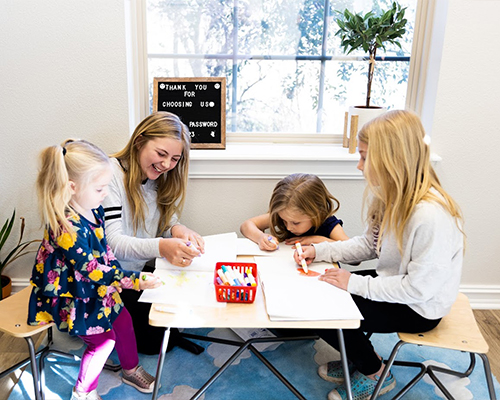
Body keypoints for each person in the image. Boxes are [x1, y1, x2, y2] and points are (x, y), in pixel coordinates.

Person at [294, 110, 465, 400]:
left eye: (364, 157)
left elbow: (419, 289)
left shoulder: (430, 216)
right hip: (394, 285)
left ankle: (375, 373)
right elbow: (368, 246)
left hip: (419, 307)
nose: (359, 166)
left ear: (390, 160)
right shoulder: (391, 199)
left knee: (324, 310)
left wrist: (353, 283)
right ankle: (361, 357)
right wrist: (318, 250)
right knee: (317, 293)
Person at [28, 139, 162, 400]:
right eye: (100, 188)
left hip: (96, 286)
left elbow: (105, 251)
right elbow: (91, 270)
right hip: (76, 295)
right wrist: (134, 280)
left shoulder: (94, 208)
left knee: (123, 321)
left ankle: (130, 369)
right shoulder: (67, 228)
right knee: (102, 342)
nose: (105, 193)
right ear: (72, 188)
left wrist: (122, 277)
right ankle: (83, 392)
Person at [102, 111, 205, 355]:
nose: (167, 164)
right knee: (158, 342)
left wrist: (178, 229)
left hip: (137, 272)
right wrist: (162, 246)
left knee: (176, 313)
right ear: (139, 142)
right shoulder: (109, 176)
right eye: (161, 154)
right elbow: (112, 242)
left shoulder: (156, 175)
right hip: (111, 278)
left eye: (175, 158)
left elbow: (163, 219)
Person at [240, 173, 349, 251]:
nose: (288, 227)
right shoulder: (285, 215)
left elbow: (353, 257)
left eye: (296, 223)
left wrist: (318, 240)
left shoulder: (328, 224)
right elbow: (246, 225)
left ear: (316, 213)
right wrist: (260, 237)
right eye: (284, 220)